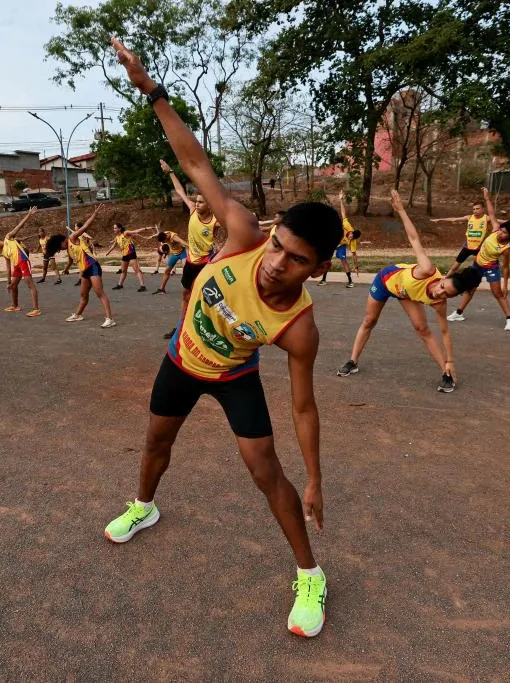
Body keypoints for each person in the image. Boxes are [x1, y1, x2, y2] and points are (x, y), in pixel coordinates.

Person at [104, 37, 341, 638]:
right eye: (279, 246)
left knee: (267, 473)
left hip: (235, 376)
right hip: (181, 362)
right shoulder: (242, 234)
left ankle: (309, 575)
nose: (274, 264)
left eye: (295, 260)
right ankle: (145, 504)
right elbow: (196, 164)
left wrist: (315, 477)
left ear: (316, 269)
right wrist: (152, 91)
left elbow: (304, 405)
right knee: (155, 445)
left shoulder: (299, 328)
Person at [336, 190, 483, 392]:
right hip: (386, 280)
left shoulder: (439, 303)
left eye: (446, 295)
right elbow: (414, 239)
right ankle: (352, 361)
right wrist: (401, 211)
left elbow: (444, 332)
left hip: (405, 294)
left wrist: (450, 361)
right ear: (443, 278)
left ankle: (445, 374)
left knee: (423, 330)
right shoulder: (427, 270)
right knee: (369, 321)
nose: (439, 293)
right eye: (442, 287)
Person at [159, 157, 218, 340]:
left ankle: (213, 331)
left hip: (207, 263)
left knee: (210, 298)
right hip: (192, 261)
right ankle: (181, 327)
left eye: (201, 202)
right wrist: (170, 172)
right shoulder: (192, 209)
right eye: (197, 201)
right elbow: (179, 191)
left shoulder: (216, 220)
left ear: (209, 204)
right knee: (186, 294)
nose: (197, 203)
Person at [446, 188, 510, 330]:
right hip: (477, 264)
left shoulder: (506, 248)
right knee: (469, 288)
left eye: (504, 233)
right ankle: (459, 313)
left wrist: (506, 285)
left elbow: (505, 267)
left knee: (497, 293)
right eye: (501, 231)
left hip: (491, 267)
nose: (500, 233)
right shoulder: (495, 229)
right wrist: (486, 198)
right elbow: (491, 213)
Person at [46, 206, 116, 328]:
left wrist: (94, 214)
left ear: (62, 242)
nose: (60, 250)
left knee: (99, 293)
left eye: (59, 247)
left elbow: (84, 227)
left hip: (93, 266)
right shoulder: (68, 249)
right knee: (83, 295)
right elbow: (71, 259)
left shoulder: (72, 238)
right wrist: (67, 268)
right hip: (84, 271)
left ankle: (110, 319)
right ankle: (78, 315)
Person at [0, 206, 41, 316]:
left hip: (23, 261)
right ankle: (15, 306)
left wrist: (29, 215)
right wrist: (8, 282)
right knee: (13, 286)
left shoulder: (8, 237)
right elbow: (8, 268)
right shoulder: (4, 253)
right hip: (17, 266)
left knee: (30, 285)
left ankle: (36, 309)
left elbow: (19, 226)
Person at [432, 190, 491, 277]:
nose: (475, 211)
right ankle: (445, 279)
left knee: (483, 266)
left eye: (477, 208)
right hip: (468, 246)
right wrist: (440, 219)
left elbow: (502, 222)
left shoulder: (487, 218)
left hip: (479, 248)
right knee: (455, 266)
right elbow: (454, 219)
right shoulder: (469, 217)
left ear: (483, 209)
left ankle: (485, 279)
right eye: (474, 209)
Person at [318, 192, 359, 288]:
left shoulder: (353, 241)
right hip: (333, 240)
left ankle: (350, 281)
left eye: (352, 238)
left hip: (341, 245)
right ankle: (323, 279)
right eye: (351, 236)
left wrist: (356, 266)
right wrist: (341, 200)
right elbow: (343, 213)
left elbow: (354, 255)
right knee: (327, 259)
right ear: (351, 232)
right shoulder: (347, 226)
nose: (350, 237)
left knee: (344, 260)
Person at [105, 223, 153, 292]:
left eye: (115, 228)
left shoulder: (125, 233)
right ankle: (120, 285)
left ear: (119, 228)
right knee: (123, 270)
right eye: (114, 228)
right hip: (125, 255)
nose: (114, 229)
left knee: (136, 270)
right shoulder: (117, 237)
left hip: (131, 253)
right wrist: (108, 252)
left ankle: (142, 286)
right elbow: (113, 245)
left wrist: (145, 228)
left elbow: (136, 231)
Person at [145, 229, 188, 294]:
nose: (164, 242)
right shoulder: (164, 234)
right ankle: (161, 289)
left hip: (182, 253)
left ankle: (189, 288)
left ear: (165, 237)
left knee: (186, 270)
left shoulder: (173, 237)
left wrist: (190, 247)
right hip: (174, 254)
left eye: (164, 241)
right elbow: (159, 236)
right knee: (167, 271)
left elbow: (181, 241)